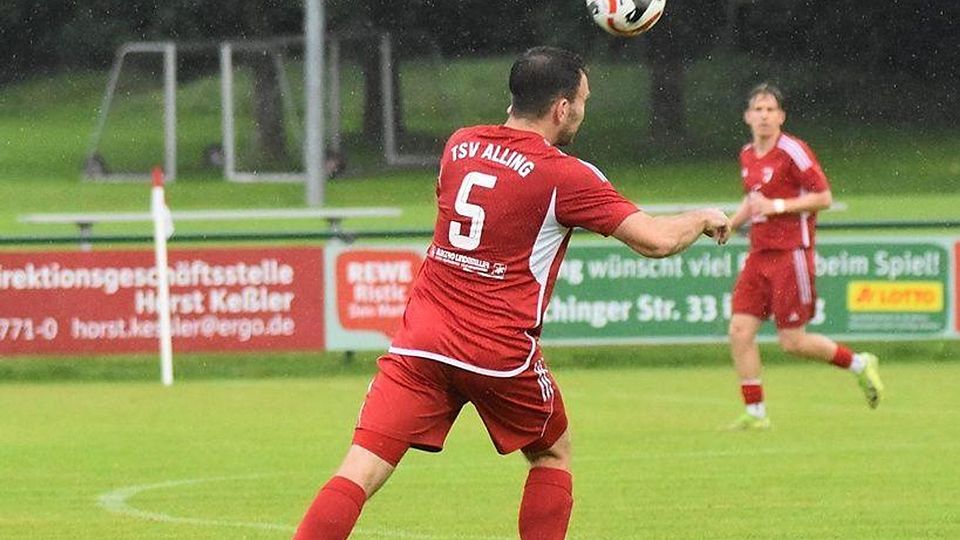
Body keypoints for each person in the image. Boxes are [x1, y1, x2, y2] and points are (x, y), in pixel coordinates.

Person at [293, 46, 731, 540]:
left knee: (360, 468)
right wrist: (700, 217)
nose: (583, 112)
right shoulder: (564, 175)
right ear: (562, 108)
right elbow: (655, 240)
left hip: (422, 342)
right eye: (583, 101)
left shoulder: (460, 146)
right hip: (496, 353)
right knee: (552, 452)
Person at [726, 83, 884, 431]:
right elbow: (753, 201)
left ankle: (858, 363)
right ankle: (756, 414)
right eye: (758, 109)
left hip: (790, 254)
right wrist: (730, 224)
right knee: (739, 331)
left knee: (792, 341)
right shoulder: (748, 154)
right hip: (759, 254)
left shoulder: (793, 151)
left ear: (781, 116)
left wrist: (778, 206)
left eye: (771, 109)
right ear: (747, 116)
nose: (764, 115)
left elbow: (824, 197)